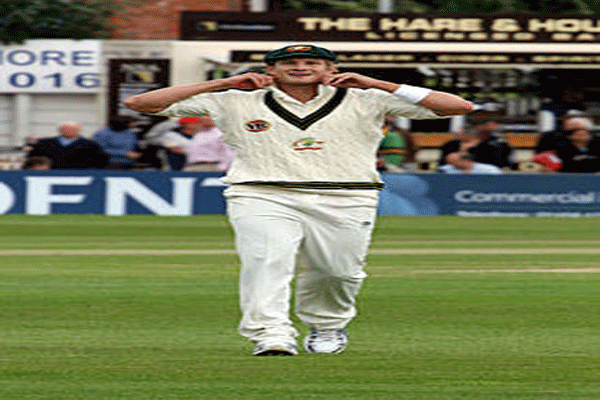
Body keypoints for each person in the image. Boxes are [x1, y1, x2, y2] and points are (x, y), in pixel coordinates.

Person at [125, 44, 474, 356]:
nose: (301, 68)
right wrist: (224, 82)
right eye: (289, 63)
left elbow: (458, 106)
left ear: (330, 69)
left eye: (312, 62)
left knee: (337, 272)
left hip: (346, 195)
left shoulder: (368, 98)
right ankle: (271, 333)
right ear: (271, 69)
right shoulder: (234, 98)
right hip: (262, 192)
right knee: (266, 262)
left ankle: (327, 325)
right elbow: (139, 103)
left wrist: (375, 83)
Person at [27, 122, 109, 169]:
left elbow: (102, 160)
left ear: (78, 130)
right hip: (50, 173)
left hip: (79, 174)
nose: (69, 131)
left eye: (72, 129)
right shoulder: (44, 143)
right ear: (60, 130)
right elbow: (32, 158)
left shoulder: (90, 145)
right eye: (66, 129)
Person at [439, 122, 511, 169]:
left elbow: (495, 163)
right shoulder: (451, 144)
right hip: (456, 168)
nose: (459, 135)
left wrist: (471, 149)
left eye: (465, 133)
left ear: (472, 135)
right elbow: (444, 162)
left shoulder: (487, 146)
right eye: (459, 133)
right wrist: (463, 150)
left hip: (481, 169)